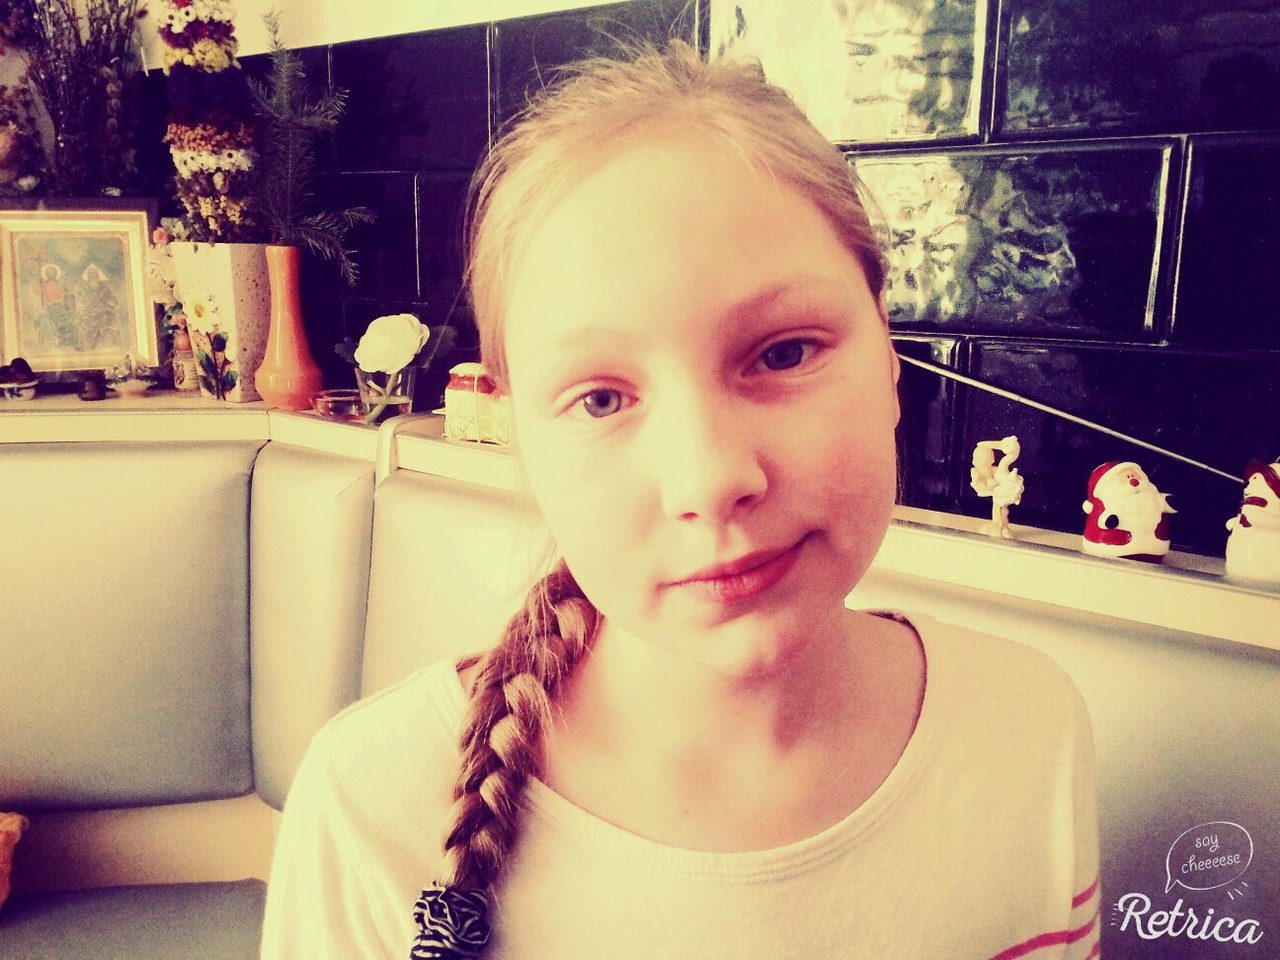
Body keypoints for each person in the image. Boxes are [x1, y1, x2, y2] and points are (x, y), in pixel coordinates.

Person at [261, 41, 1100, 959]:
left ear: (890, 362)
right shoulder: (371, 810)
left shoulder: (1029, 726)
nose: (709, 481)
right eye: (600, 399)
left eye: (784, 352)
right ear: (522, 440)